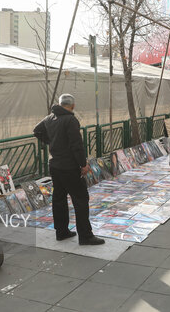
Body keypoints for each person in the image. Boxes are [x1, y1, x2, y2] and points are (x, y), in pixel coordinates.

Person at [33, 94, 105, 245]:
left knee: (59, 199)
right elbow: (76, 145)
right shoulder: (70, 120)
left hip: (55, 165)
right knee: (80, 199)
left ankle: (61, 231)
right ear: (72, 106)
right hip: (70, 166)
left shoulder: (49, 118)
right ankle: (85, 236)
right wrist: (83, 164)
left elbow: (37, 131)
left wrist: (50, 142)